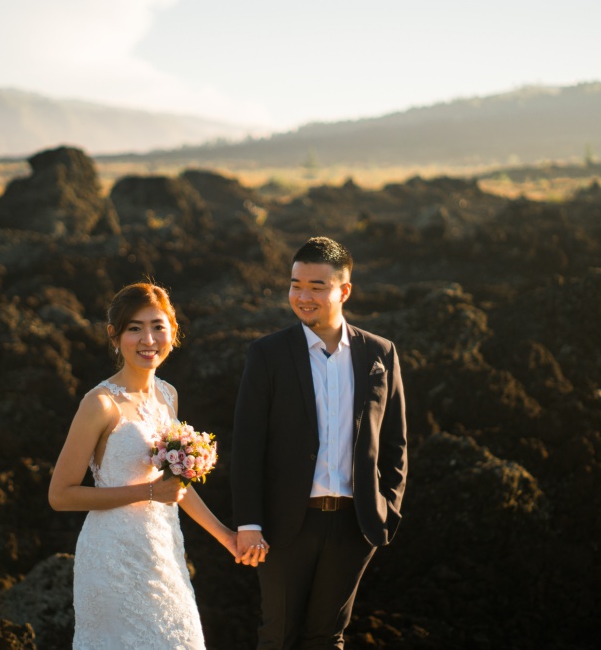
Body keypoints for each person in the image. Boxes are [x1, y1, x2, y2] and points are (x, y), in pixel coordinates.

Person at [232, 236, 408, 649]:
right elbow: (247, 445)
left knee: (327, 638)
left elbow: (396, 441)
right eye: (296, 284)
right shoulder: (267, 354)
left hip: (354, 524)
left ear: (344, 290)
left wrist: (388, 508)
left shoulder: (380, 353)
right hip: (284, 525)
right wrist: (249, 523)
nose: (302, 296)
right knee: (277, 636)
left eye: (317, 286)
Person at [49, 282, 242, 650]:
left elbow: (176, 488)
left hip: (163, 550)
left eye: (157, 326)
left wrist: (226, 538)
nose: (148, 339)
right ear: (114, 335)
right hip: (111, 557)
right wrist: (149, 492)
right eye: (134, 328)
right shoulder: (100, 403)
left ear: (173, 331)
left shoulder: (168, 396)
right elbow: (60, 495)